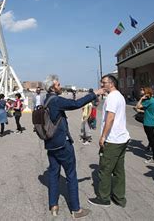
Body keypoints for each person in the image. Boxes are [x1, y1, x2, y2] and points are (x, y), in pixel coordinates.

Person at [43, 74, 104, 218]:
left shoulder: (46, 100)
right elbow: (75, 104)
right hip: (62, 145)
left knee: (53, 174)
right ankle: (76, 210)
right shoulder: (56, 100)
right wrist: (93, 93)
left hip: (50, 145)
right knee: (71, 175)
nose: (60, 86)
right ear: (52, 87)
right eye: (58, 84)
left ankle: (54, 206)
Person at [88, 74, 130, 208]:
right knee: (118, 170)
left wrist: (103, 136)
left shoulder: (112, 97)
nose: (101, 85)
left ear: (111, 84)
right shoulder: (119, 96)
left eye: (104, 83)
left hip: (113, 139)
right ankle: (119, 197)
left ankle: (104, 198)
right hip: (122, 138)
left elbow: (110, 118)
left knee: (105, 169)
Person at [136, 87, 154, 164]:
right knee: (151, 139)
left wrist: (141, 99)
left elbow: (137, 106)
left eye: (143, 90)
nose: (141, 91)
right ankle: (150, 148)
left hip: (148, 123)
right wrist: (143, 110)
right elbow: (149, 109)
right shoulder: (152, 100)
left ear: (146, 92)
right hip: (152, 122)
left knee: (152, 140)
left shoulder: (148, 101)